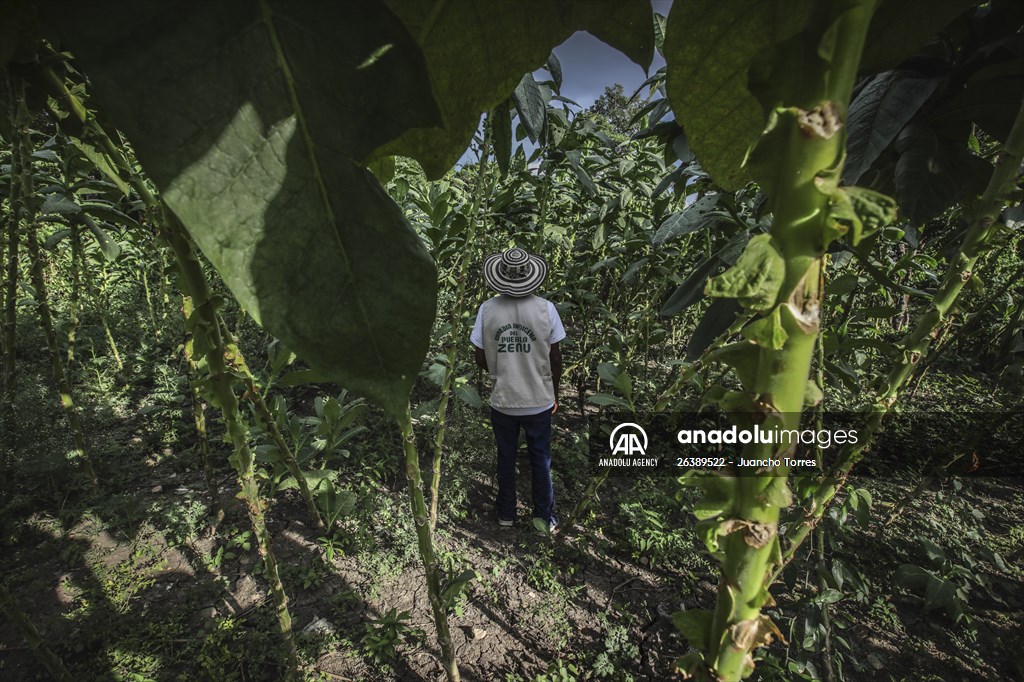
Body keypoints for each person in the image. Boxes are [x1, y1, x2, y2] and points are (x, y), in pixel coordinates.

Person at [470, 247, 565, 531]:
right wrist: (554, 393)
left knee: (506, 456)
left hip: (503, 400)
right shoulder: (546, 308)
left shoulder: (487, 309)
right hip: (539, 399)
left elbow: (478, 355)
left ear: (501, 276)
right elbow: (555, 355)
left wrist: (501, 370)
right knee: (540, 458)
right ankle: (543, 518)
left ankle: (506, 515)